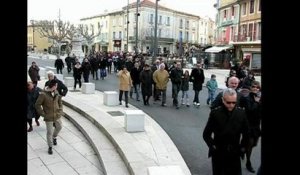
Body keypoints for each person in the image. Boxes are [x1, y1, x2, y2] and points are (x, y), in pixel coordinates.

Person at [203, 88, 249, 175]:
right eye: (228, 102)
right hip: (219, 153)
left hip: (235, 153)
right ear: (223, 100)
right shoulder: (215, 113)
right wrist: (213, 146)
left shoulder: (241, 113)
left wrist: (242, 148)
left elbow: (246, 133)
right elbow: (206, 134)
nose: (231, 105)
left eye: (234, 102)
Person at [35, 79, 63, 155]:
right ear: (53, 86)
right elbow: (37, 105)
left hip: (57, 115)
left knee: (59, 127)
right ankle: (50, 146)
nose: (57, 87)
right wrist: (43, 114)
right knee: (49, 132)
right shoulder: (43, 94)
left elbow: (60, 101)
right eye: (56, 85)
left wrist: (60, 110)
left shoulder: (56, 92)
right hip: (48, 116)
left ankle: (54, 137)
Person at [240, 81, 262, 173]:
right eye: (254, 86)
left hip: (256, 125)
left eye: (257, 87)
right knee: (249, 144)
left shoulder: (259, 97)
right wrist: (256, 102)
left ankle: (242, 149)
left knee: (254, 144)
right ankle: (248, 163)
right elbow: (250, 110)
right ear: (250, 87)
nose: (255, 88)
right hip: (248, 125)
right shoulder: (247, 98)